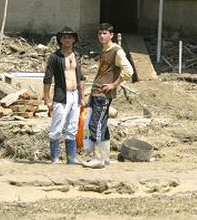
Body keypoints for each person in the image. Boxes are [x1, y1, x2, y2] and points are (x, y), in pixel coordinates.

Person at [82, 22, 134, 168]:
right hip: (96, 92)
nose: (101, 36)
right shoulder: (104, 51)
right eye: (100, 33)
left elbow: (128, 71)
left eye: (105, 33)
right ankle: (104, 157)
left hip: (103, 93)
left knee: (95, 124)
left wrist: (114, 85)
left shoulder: (116, 51)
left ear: (111, 35)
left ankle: (97, 158)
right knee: (102, 125)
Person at [43, 26, 85, 164]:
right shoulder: (55, 57)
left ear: (74, 39)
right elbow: (48, 79)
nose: (67, 40)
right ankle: (55, 158)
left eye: (70, 37)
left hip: (75, 95)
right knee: (56, 127)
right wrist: (47, 98)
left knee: (72, 128)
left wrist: (82, 97)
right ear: (60, 40)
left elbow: (81, 78)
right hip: (61, 96)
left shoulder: (77, 55)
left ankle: (71, 158)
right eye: (64, 37)